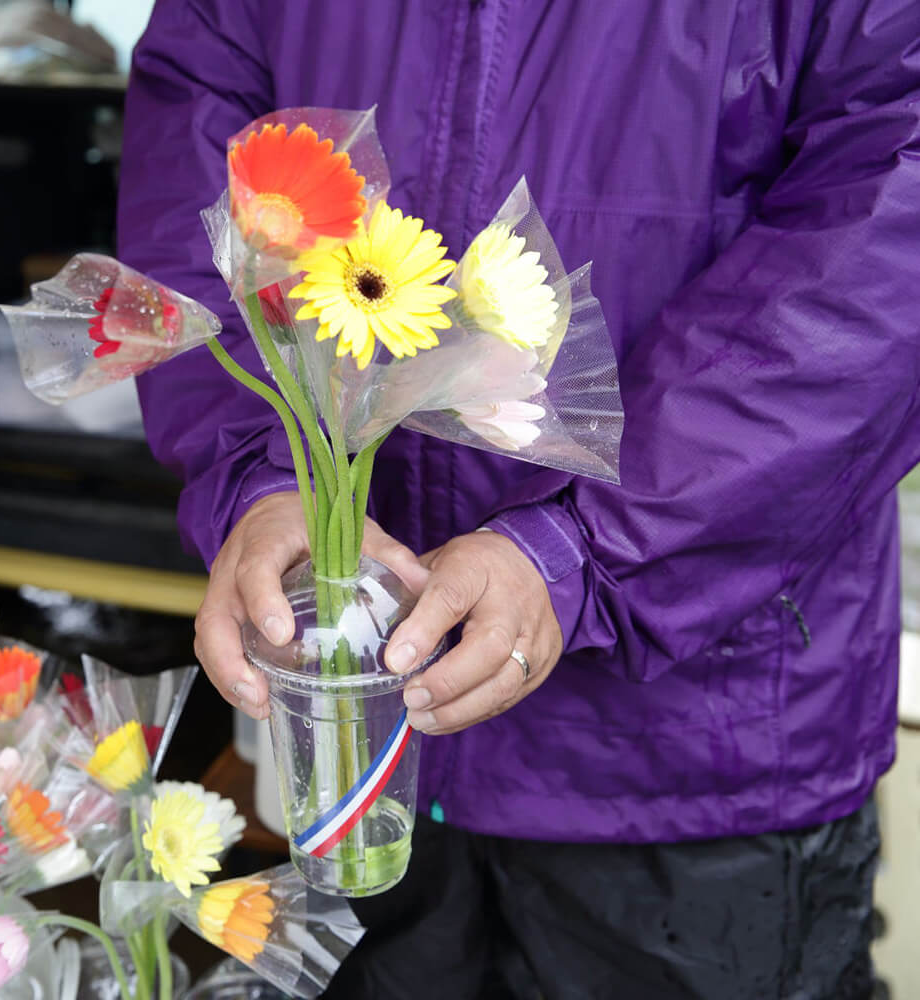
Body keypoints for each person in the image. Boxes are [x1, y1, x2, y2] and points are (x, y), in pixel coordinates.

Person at [116, 1, 920, 996]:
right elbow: (194, 161)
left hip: (692, 753)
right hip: (371, 752)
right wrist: (265, 479)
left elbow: (887, 234)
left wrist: (587, 549)